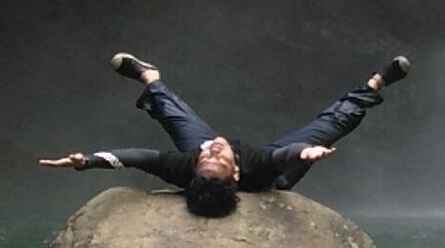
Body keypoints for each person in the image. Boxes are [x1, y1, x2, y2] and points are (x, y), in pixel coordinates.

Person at [39, 52, 410, 217]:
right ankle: (374, 85)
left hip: (235, 165)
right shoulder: (257, 170)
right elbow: (281, 156)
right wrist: (305, 153)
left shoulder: (189, 164)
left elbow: (137, 158)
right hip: (280, 171)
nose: (214, 150)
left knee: (174, 116)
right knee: (331, 126)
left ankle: (148, 76)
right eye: (217, 158)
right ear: (234, 174)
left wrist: (86, 162)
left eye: (207, 158)